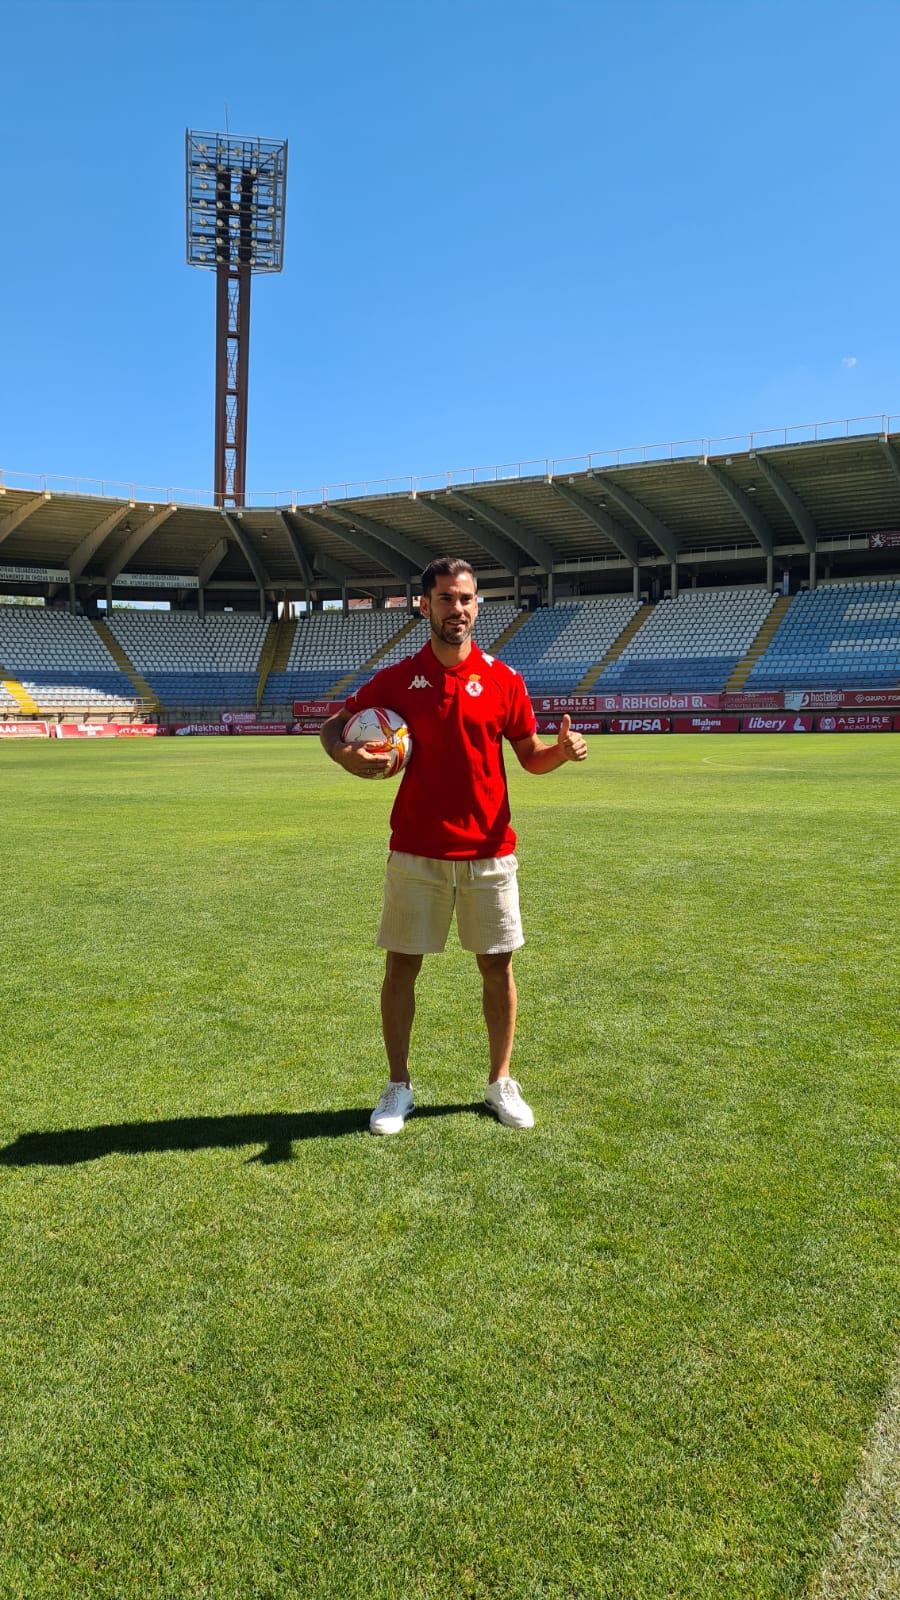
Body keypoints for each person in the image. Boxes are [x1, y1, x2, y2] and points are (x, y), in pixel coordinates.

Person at [319, 557, 588, 1136]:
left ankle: (500, 1082)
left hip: (490, 852)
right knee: (401, 968)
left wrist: (560, 754)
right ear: (425, 606)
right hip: (416, 850)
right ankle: (398, 1087)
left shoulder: (504, 680)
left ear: (476, 605)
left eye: (465, 598)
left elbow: (531, 757)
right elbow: (332, 726)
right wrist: (347, 756)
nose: (456, 609)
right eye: (445, 598)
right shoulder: (395, 681)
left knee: (498, 967)